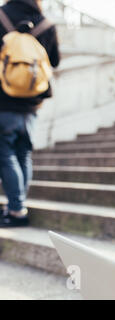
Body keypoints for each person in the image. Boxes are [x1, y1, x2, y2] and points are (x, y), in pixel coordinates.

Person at [0, 0, 60, 227]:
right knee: (23, 154)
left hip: (4, 100)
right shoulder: (46, 24)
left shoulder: (2, 16)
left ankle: (16, 209)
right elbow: (54, 61)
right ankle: (17, 205)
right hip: (32, 102)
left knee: (5, 155)